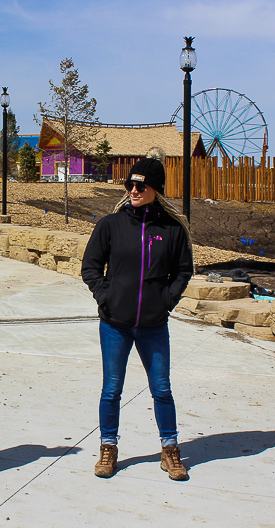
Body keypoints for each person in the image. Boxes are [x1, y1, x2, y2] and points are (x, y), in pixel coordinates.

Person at [81, 155, 194, 480]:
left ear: (155, 189)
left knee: (161, 389)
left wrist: (166, 302)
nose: (133, 189)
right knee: (111, 389)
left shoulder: (172, 230)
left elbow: (183, 271)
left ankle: (170, 450)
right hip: (115, 324)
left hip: (153, 327)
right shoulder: (110, 225)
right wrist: (107, 297)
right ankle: (108, 447)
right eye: (130, 184)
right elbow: (90, 267)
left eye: (140, 185)